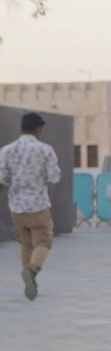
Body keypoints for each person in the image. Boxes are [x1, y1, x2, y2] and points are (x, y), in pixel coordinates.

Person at [0, 112, 62, 300]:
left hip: (16, 207)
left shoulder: (7, 150)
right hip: (39, 205)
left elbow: (1, 178)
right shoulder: (44, 149)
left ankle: (29, 279)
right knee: (43, 241)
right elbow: (55, 176)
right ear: (38, 129)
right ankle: (32, 271)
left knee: (25, 243)